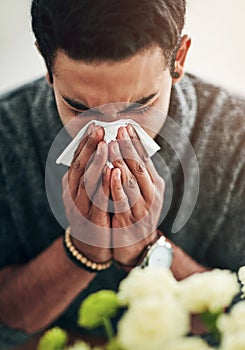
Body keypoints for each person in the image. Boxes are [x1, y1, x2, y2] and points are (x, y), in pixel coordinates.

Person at [0, 0, 244, 348]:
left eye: (140, 105)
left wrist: (147, 249)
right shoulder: (8, 134)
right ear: (47, 65)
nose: (111, 134)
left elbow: (238, 321)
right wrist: (81, 249)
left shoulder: (238, 141)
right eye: (80, 107)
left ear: (179, 58)